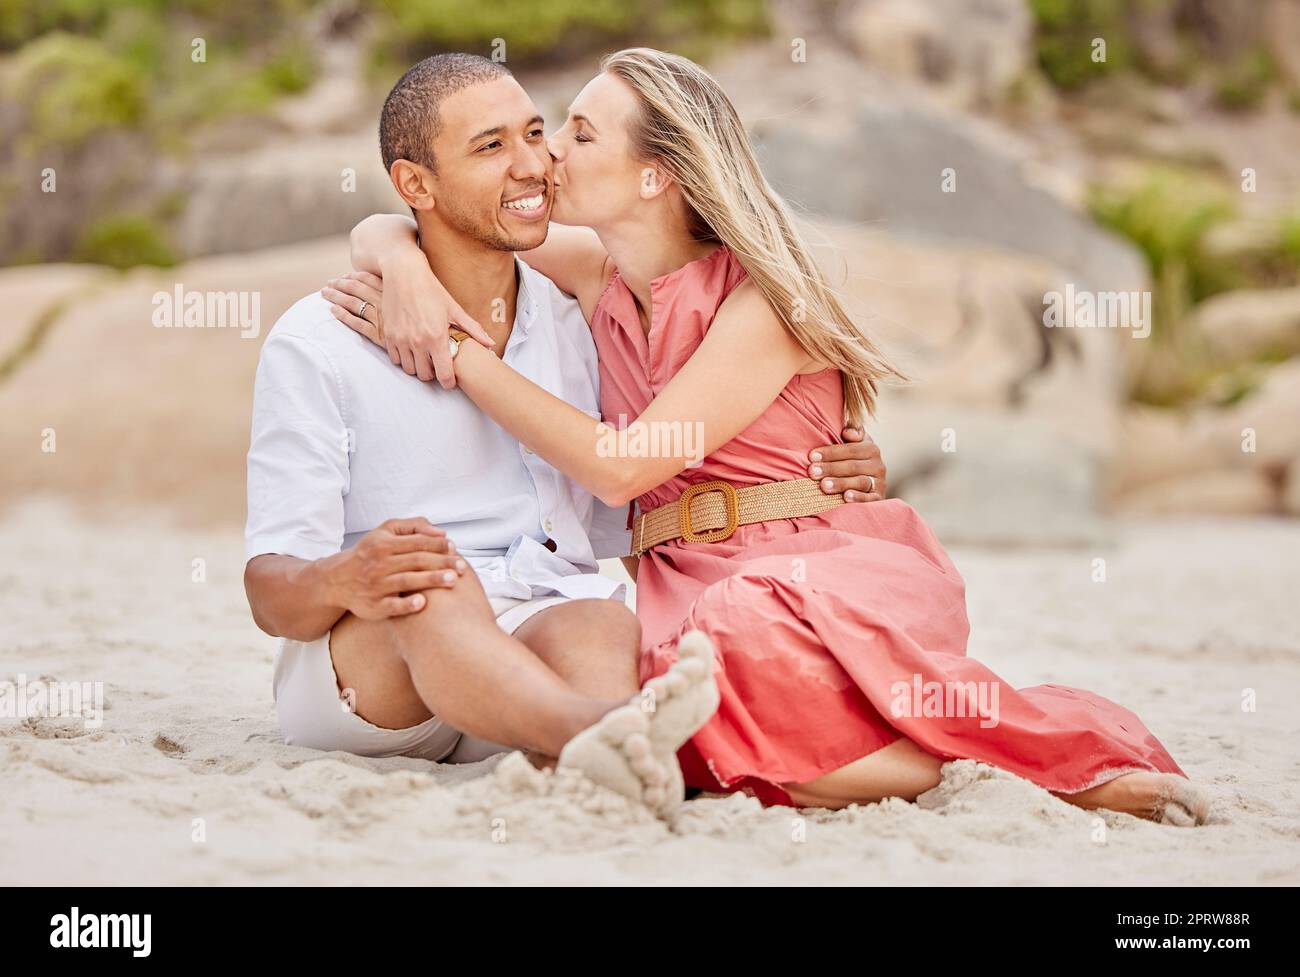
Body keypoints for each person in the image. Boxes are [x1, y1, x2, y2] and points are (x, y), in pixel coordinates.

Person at [329, 48, 1215, 825]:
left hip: (808, 566)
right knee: (673, 711)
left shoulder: (759, 304)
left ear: (656, 176)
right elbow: (401, 220)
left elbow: (618, 466)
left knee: (729, 638)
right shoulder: (601, 276)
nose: (550, 151)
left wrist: (457, 353)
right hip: (682, 579)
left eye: (581, 133)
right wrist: (398, 257)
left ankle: (1039, 772)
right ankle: (944, 764)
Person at [245, 53, 876, 818]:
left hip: (529, 639)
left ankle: (593, 744)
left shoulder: (581, 320)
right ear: (417, 185)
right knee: (431, 579)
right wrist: (348, 577)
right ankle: (601, 733)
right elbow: (271, 592)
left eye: (539, 133)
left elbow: (659, 452)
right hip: (373, 680)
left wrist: (822, 468)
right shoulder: (324, 338)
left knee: (601, 615)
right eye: (490, 146)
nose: (535, 164)